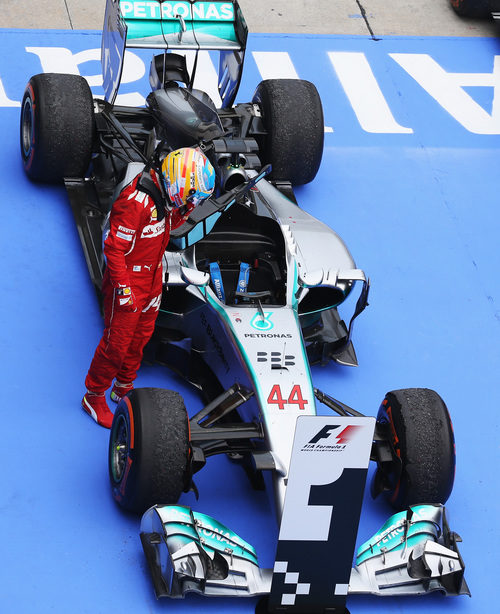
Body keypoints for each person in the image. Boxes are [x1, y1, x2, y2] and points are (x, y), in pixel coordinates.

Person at [82, 147, 216, 428]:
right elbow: (113, 249)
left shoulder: (166, 197)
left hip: (153, 278)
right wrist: (123, 290)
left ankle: (123, 387)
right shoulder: (135, 202)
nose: (192, 202)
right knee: (115, 345)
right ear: (180, 183)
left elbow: (169, 226)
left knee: (141, 337)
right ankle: (94, 396)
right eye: (192, 195)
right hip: (128, 282)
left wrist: (186, 209)